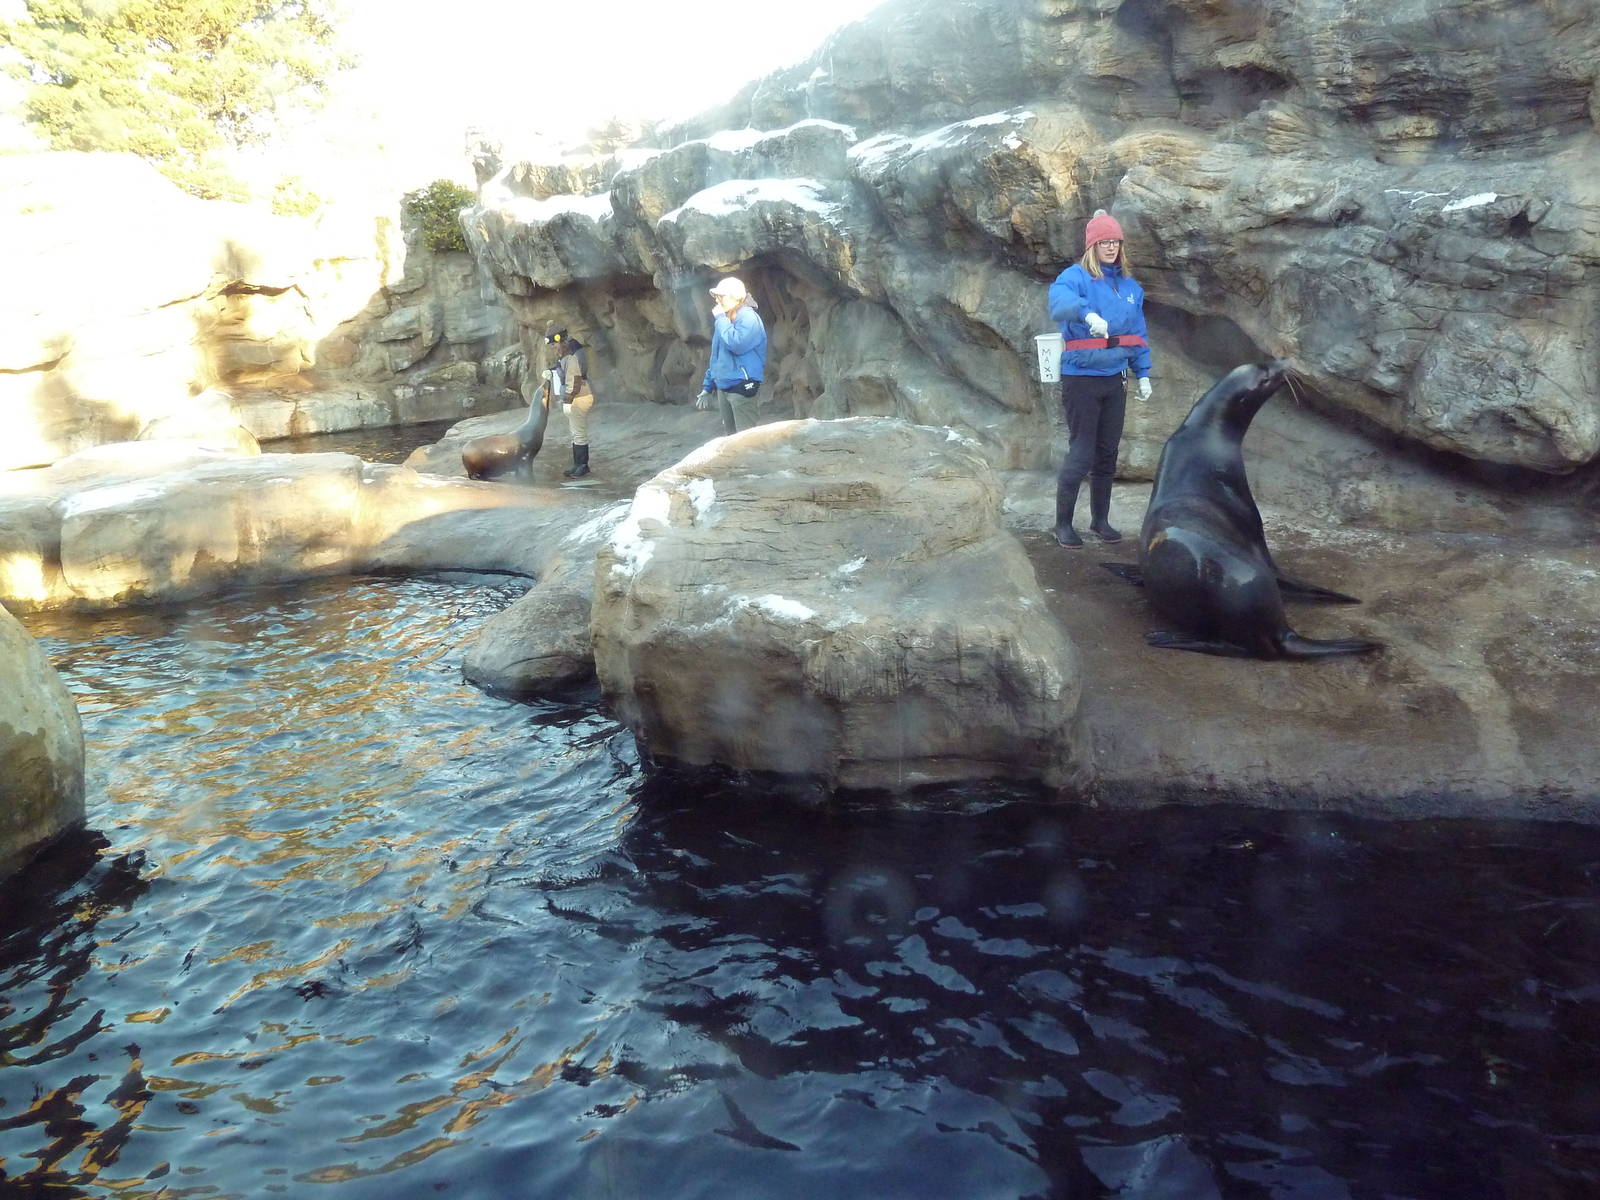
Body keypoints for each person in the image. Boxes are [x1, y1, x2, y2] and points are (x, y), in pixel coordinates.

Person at [1045, 209, 1154, 548]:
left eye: (1115, 242)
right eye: (1104, 242)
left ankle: (1100, 521)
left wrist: (1144, 373)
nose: (1110, 247)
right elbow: (1058, 302)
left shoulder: (1131, 288)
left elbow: (1137, 333)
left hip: (1115, 379)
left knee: (1107, 453)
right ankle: (1062, 525)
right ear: (1092, 245)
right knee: (1082, 453)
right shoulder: (1075, 277)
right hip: (1081, 378)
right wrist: (1086, 312)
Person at [693, 276, 767, 435]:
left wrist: (721, 319)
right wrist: (708, 385)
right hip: (723, 387)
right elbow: (717, 357)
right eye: (716, 296)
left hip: (742, 386)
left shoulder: (748, 317)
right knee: (731, 439)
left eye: (721, 296)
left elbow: (737, 345)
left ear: (737, 297)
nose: (717, 300)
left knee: (746, 441)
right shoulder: (725, 320)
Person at [544, 325, 593, 478]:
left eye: (554, 344)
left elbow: (575, 381)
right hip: (574, 397)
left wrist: (569, 398)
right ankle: (577, 464)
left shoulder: (571, 358)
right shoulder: (565, 357)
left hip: (579, 397)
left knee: (579, 433)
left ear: (561, 341)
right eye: (551, 345)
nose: (553, 348)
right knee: (575, 433)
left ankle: (582, 465)